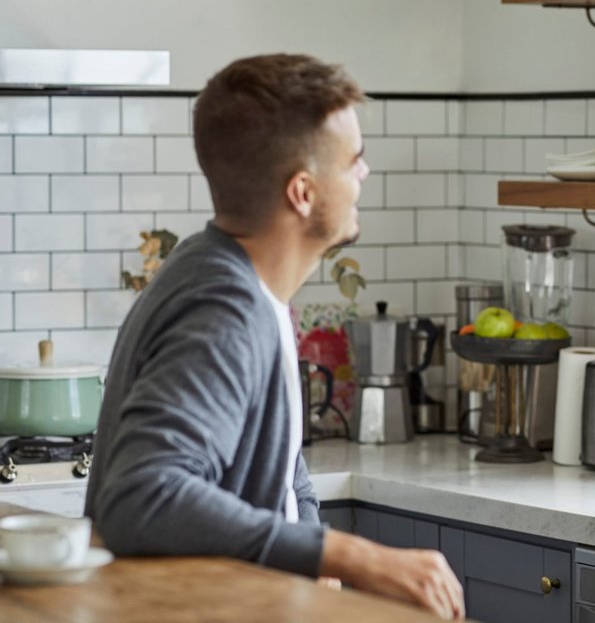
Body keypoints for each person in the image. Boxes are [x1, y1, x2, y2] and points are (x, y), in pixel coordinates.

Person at [84, 54, 465, 620]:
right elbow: (142, 496)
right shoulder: (226, 306)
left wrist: (315, 555)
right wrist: (353, 555)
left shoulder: (225, 273)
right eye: (353, 161)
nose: (365, 174)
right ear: (303, 193)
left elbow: (284, 467)